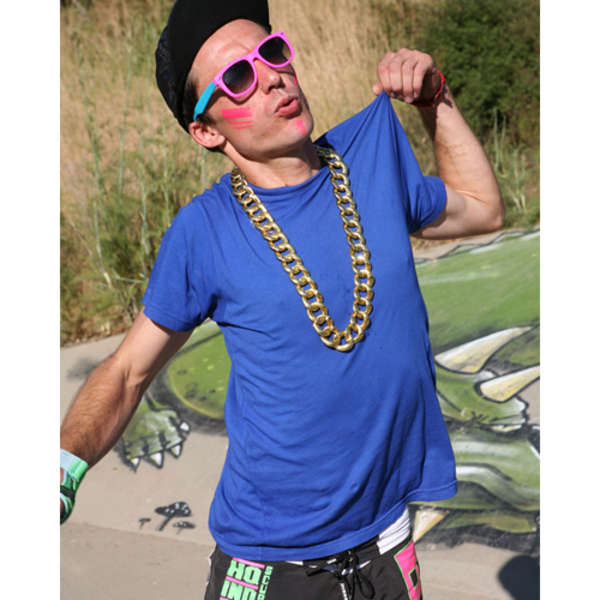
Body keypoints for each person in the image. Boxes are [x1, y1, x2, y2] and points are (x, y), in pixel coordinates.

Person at [60, 0, 504, 598]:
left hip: (388, 548)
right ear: (207, 131)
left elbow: (482, 208)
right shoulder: (204, 232)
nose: (270, 77)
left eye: (271, 52)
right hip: (269, 568)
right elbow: (127, 370)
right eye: (237, 78)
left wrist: (435, 98)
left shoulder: (368, 158)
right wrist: (60, 470)